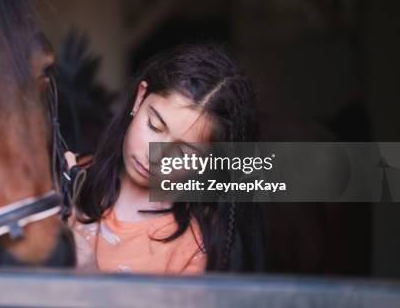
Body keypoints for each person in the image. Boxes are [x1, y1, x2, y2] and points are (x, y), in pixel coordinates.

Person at [65, 44, 264, 274]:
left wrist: (91, 275)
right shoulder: (68, 175)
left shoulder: (193, 249)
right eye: (154, 126)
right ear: (140, 98)